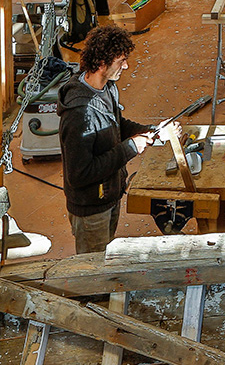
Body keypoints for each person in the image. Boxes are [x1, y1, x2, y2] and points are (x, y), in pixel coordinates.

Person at [57, 25, 180, 253]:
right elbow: (79, 175)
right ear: (102, 63)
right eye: (121, 60)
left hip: (110, 194)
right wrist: (131, 147)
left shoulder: (107, 88)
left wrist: (152, 131)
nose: (126, 66)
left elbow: (117, 124)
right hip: (91, 208)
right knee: (93, 271)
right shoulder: (79, 113)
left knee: (105, 258)